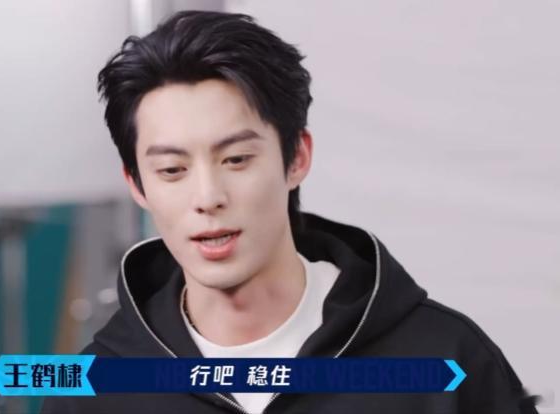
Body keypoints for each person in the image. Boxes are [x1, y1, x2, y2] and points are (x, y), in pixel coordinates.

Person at [41, 10, 539, 414]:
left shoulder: (443, 360)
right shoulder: (94, 393)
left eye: (236, 159)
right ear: (137, 185)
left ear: (296, 157)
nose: (208, 196)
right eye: (172, 170)